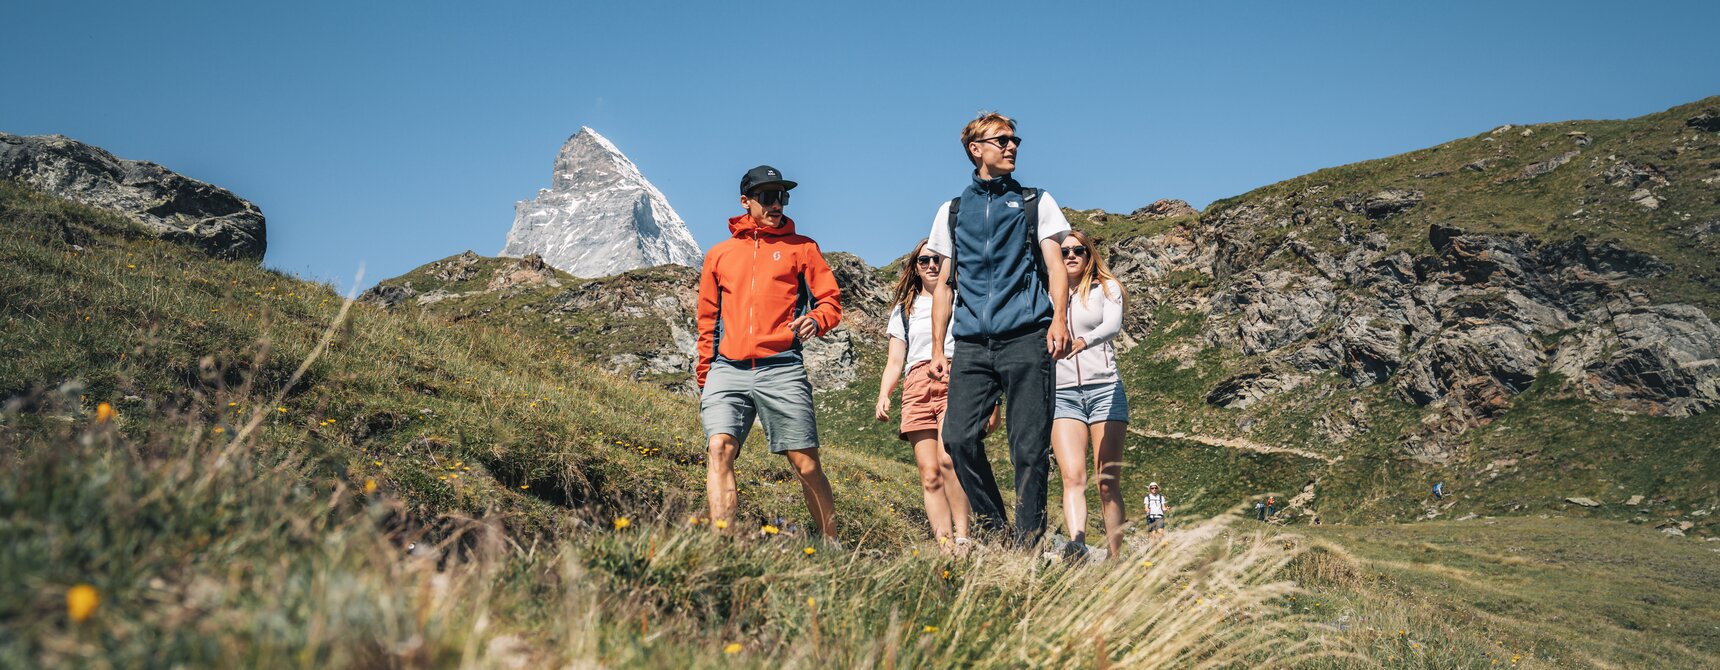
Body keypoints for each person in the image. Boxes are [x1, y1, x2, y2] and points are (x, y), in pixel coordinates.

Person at [927, 112, 1072, 548]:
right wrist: (938, 347)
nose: (1012, 146)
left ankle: (1026, 550)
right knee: (956, 438)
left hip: (1027, 337)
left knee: (1028, 450)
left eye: (1015, 140)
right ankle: (997, 529)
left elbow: (1056, 267)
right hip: (971, 343)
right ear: (976, 149)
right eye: (1002, 140)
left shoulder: (1035, 202)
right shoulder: (952, 211)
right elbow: (943, 287)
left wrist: (1059, 319)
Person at [697, 165, 842, 540]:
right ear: (746, 202)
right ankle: (723, 541)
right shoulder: (719, 255)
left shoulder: (803, 248)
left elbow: (830, 301)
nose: (776, 204)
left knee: (806, 466)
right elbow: (707, 320)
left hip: (782, 368)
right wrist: (706, 374)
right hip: (727, 368)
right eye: (767, 197)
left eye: (782, 197)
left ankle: (831, 542)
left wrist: (818, 319)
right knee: (719, 448)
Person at [874, 239, 975, 553]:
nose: (931, 265)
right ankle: (944, 546)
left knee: (948, 460)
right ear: (915, 268)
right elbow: (895, 359)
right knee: (929, 473)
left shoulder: (961, 300)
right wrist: (884, 393)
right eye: (924, 261)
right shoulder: (905, 309)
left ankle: (963, 537)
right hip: (916, 383)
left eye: (937, 260)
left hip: (954, 375)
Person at [1049, 230, 1130, 558]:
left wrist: (1083, 341)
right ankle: (1078, 547)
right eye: (1064, 251)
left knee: (1107, 482)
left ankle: (1114, 558)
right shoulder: (1048, 294)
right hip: (1063, 393)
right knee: (1072, 477)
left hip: (1105, 390)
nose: (1070, 256)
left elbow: (1112, 325)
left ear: (1089, 255)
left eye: (1078, 251)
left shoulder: (1106, 289)